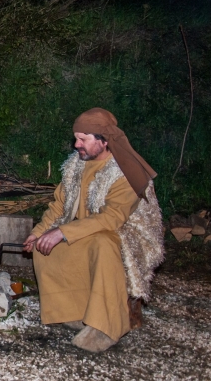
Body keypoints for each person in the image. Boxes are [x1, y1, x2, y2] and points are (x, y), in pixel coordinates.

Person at [23, 108, 164, 352]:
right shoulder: (75, 166)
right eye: (76, 137)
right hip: (87, 229)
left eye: (83, 139)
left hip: (127, 236)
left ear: (104, 140)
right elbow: (59, 206)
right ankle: (74, 313)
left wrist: (63, 232)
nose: (76, 144)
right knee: (45, 246)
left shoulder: (126, 173)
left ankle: (106, 327)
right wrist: (38, 233)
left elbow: (112, 218)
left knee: (102, 242)